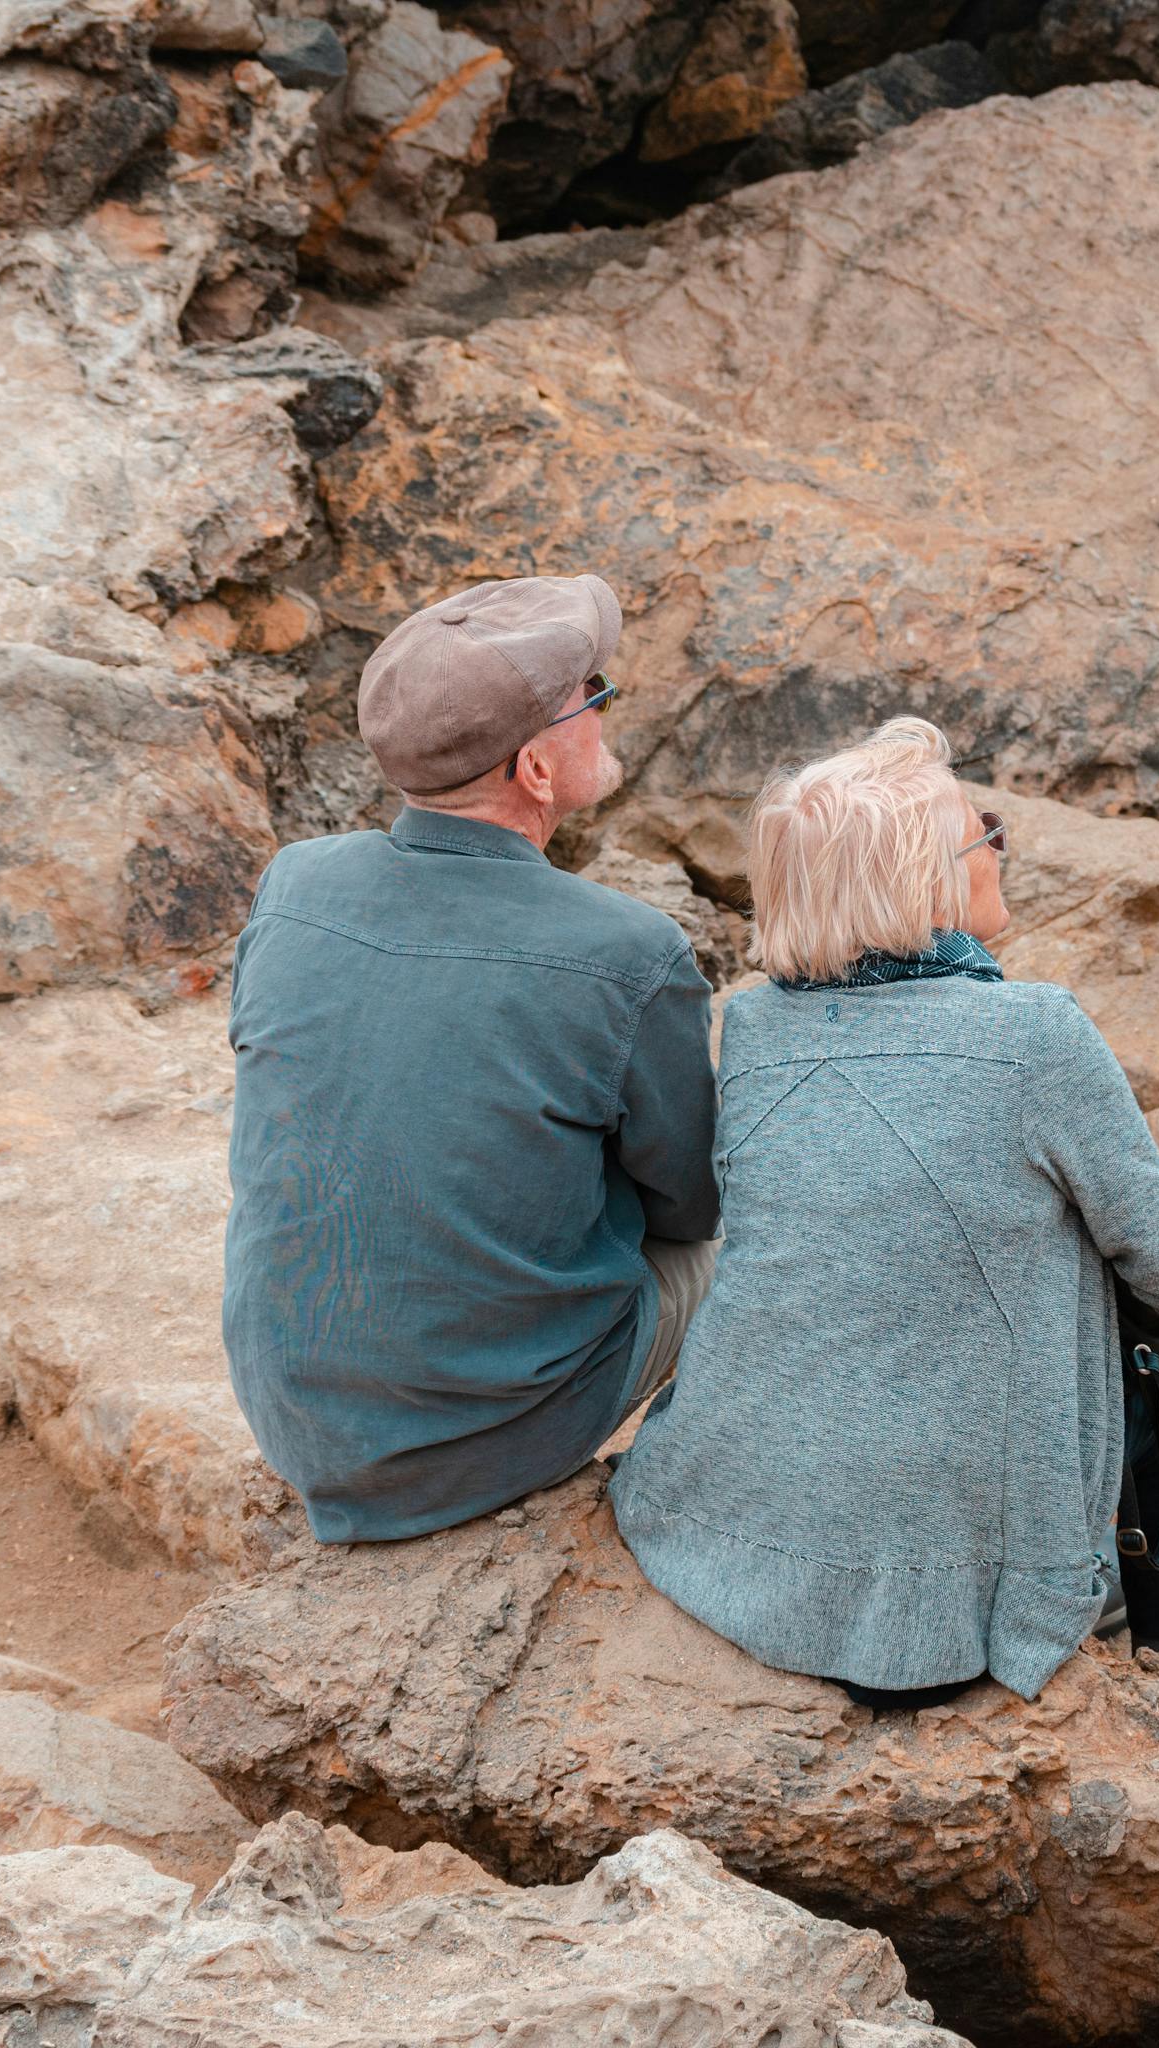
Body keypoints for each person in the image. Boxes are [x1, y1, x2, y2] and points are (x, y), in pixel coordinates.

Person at [610, 718, 1159, 1752]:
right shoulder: (1033, 1033)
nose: (997, 845)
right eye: (984, 833)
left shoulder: (750, 1027)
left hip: (730, 1515)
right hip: (948, 1576)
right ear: (927, 885)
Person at [222, 574, 720, 1543]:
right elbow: (692, 1205)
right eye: (595, 695)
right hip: (475, 1437)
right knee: (750, 1247)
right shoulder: (628, 953)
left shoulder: (294, 882)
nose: (606, 705)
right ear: (534, 768)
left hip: (292, 1409)